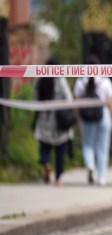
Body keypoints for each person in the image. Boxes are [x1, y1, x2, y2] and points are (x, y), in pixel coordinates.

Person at [73, 54, 112, 186]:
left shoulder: (81, 81)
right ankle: (102, 177)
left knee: (87, 144)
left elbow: (76, 102)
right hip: (103, 114)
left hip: (86, 115)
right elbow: (111, 102)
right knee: (103, 147)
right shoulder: (105, 81)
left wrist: (78, 119)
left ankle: (90, 165)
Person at [34, 58, 74, 186]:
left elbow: (35, 99)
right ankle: (58, 179)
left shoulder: (40, 80)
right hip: (59, 120)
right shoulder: (60, 80)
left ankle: (46, 163)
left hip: (44, 119)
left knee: (44, 147)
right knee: (60, 151)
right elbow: (69, 99)